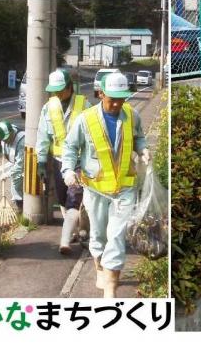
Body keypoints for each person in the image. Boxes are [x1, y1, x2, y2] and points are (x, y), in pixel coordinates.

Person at [62, 73, 149, 298]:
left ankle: (111, 290)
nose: (118, 103)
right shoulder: (85, 120)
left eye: (122, 98)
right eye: (113, 98)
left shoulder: (132, 115)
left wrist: (143, 149)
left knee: (117, 235)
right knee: (99, 235)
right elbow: (70, 147)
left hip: (124, 188)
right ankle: (99, 266)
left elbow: (139, 137)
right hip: (95, 188)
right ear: (101, 94)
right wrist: (69, 170)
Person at [37, 68, 91, 254]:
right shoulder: (48, 107)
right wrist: (41, 162)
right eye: (55, 90)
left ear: (70, 86)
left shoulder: (84, 106)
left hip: (79, 162)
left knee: (74, 199)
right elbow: (43, 136)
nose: (58, 93)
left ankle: (66, 240)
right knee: (61, 198)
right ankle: (75, 231)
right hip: (58, 161)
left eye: (61, 89)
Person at [0, 121, 25, 212]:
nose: (5, 141)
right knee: (16, 184)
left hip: (26, 165)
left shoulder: (21, 141)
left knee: (16, 183)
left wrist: (7, 174)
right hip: (16, 162)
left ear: (11, 133)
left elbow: (20, 166)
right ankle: (19, 204)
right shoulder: (1, 133)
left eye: (7, 138)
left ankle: (21, 208)